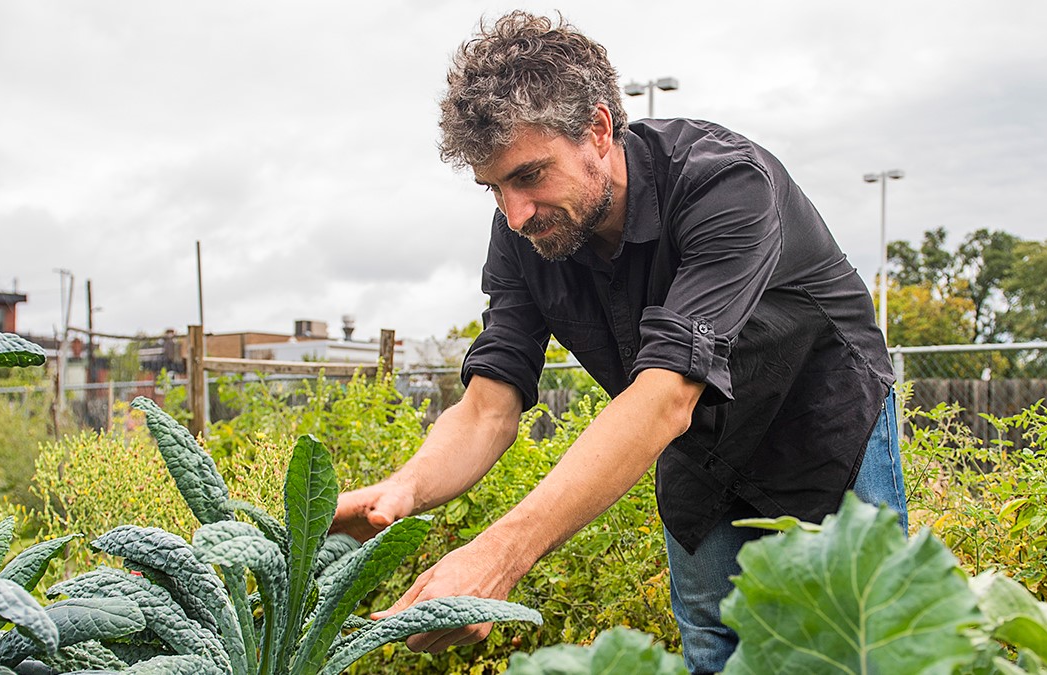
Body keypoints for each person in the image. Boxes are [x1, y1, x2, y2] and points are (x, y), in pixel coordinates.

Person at [331, 11, 907, 674]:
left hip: (821, 430)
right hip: (700, 452)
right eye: (494, 188)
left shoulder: (725, 186)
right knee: (718, 653)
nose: (514, 213)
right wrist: (403, 490)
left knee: (856, 650)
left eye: (529, 175)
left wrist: (500, 554)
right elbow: (489, 406)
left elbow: (664, 397)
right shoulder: (527, 234)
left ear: (598, 130)